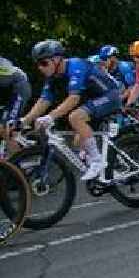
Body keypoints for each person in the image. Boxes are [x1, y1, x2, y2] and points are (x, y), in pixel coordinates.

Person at [22, 40, 122, 180]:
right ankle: (105, 174)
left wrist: (50, 117)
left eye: (43, 63)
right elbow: (44, 101)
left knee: (75, 117)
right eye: (38, 64)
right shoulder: (53, 76)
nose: (40, 68)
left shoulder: (76, 66)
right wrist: (24, 120)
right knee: (78, 144)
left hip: (110, 96)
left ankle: (98, 161)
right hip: (92, 101)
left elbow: (74, 98)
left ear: (57, 59)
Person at [0, 57, 31, 155]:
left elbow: (8, 67)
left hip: (19, 89)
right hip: (8, 91)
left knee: (6, 127)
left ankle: (18, 161)